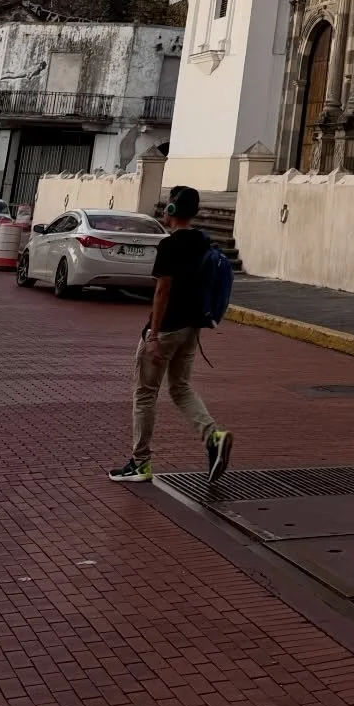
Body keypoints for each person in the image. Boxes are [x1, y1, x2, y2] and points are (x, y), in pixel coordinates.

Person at [108, 186, 233, 484]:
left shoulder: (169, 246)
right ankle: (213, 436)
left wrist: (153, 335)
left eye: (168, 205)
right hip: (191, 330)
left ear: (174, 210)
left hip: (166, 329)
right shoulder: (203, 242)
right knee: (180, 387)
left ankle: (140, 463)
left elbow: (162, 290)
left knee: (145, 394)